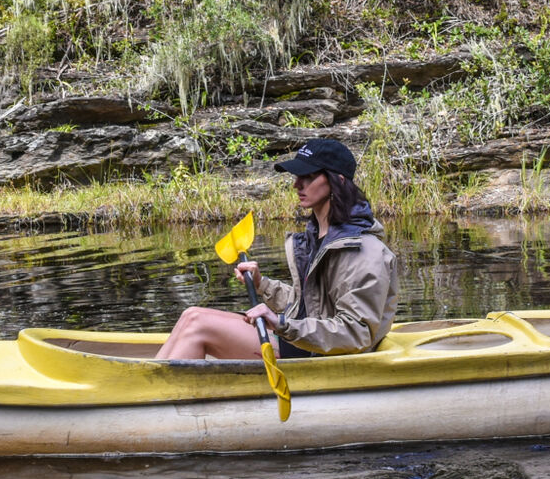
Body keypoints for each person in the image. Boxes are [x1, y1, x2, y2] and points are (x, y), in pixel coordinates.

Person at [155, 138, 398, 361]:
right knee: (190, 315)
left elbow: (356, 333)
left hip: (322, 353)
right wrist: (263, 285)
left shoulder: (366, 251)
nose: (297, 185)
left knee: (199, 324)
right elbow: (310, 305)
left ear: (338, 181)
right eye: (297, 176)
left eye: (308, 176)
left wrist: (281, 324)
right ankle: (149, 388)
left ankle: (152, 399)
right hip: (303, 339)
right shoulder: (320, 237)